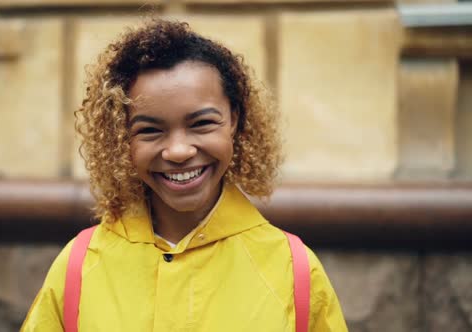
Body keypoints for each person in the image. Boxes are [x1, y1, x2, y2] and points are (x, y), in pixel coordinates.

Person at [22, 19, 347, 331]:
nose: (178, 151)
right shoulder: (78, 269)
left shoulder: (295, 272)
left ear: (233, 120)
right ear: (122, 137)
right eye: (150, 130)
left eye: (201, 123)